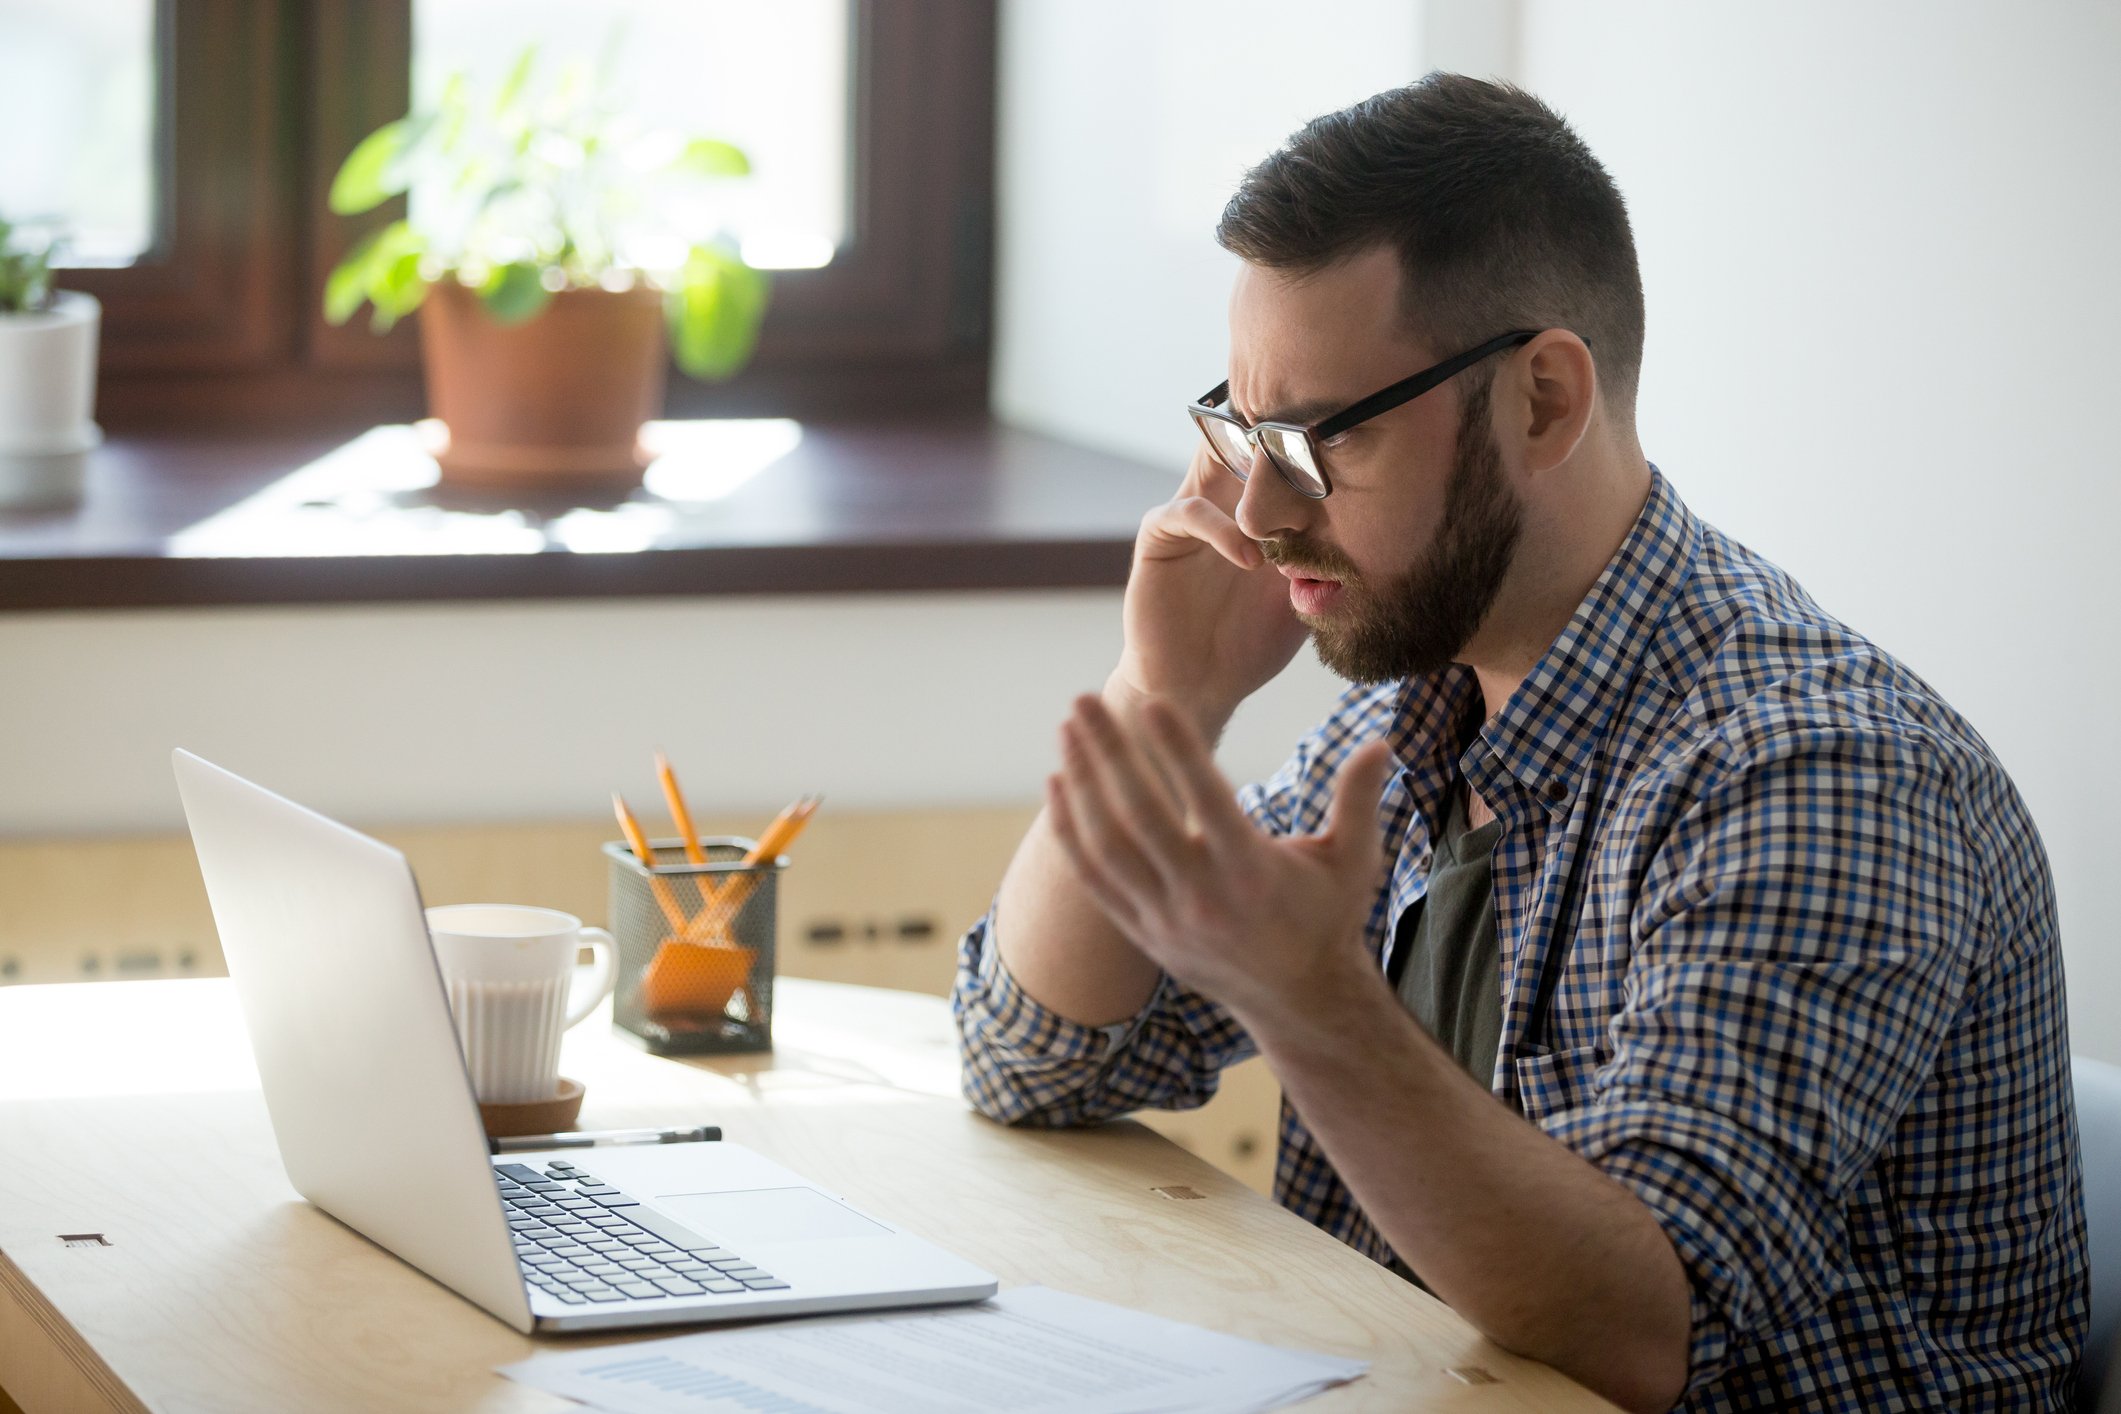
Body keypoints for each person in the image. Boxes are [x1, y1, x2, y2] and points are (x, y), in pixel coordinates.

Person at [948, 74, 2086, 1413]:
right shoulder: (1418, 706)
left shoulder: (1816, 771)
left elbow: (1638, 1327)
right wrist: (1164, 691)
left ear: (1541, 400)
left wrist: (1315, 1002)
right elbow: (1037, 1057)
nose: (1256, 511)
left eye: (1323, 437)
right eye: (1244, 430)